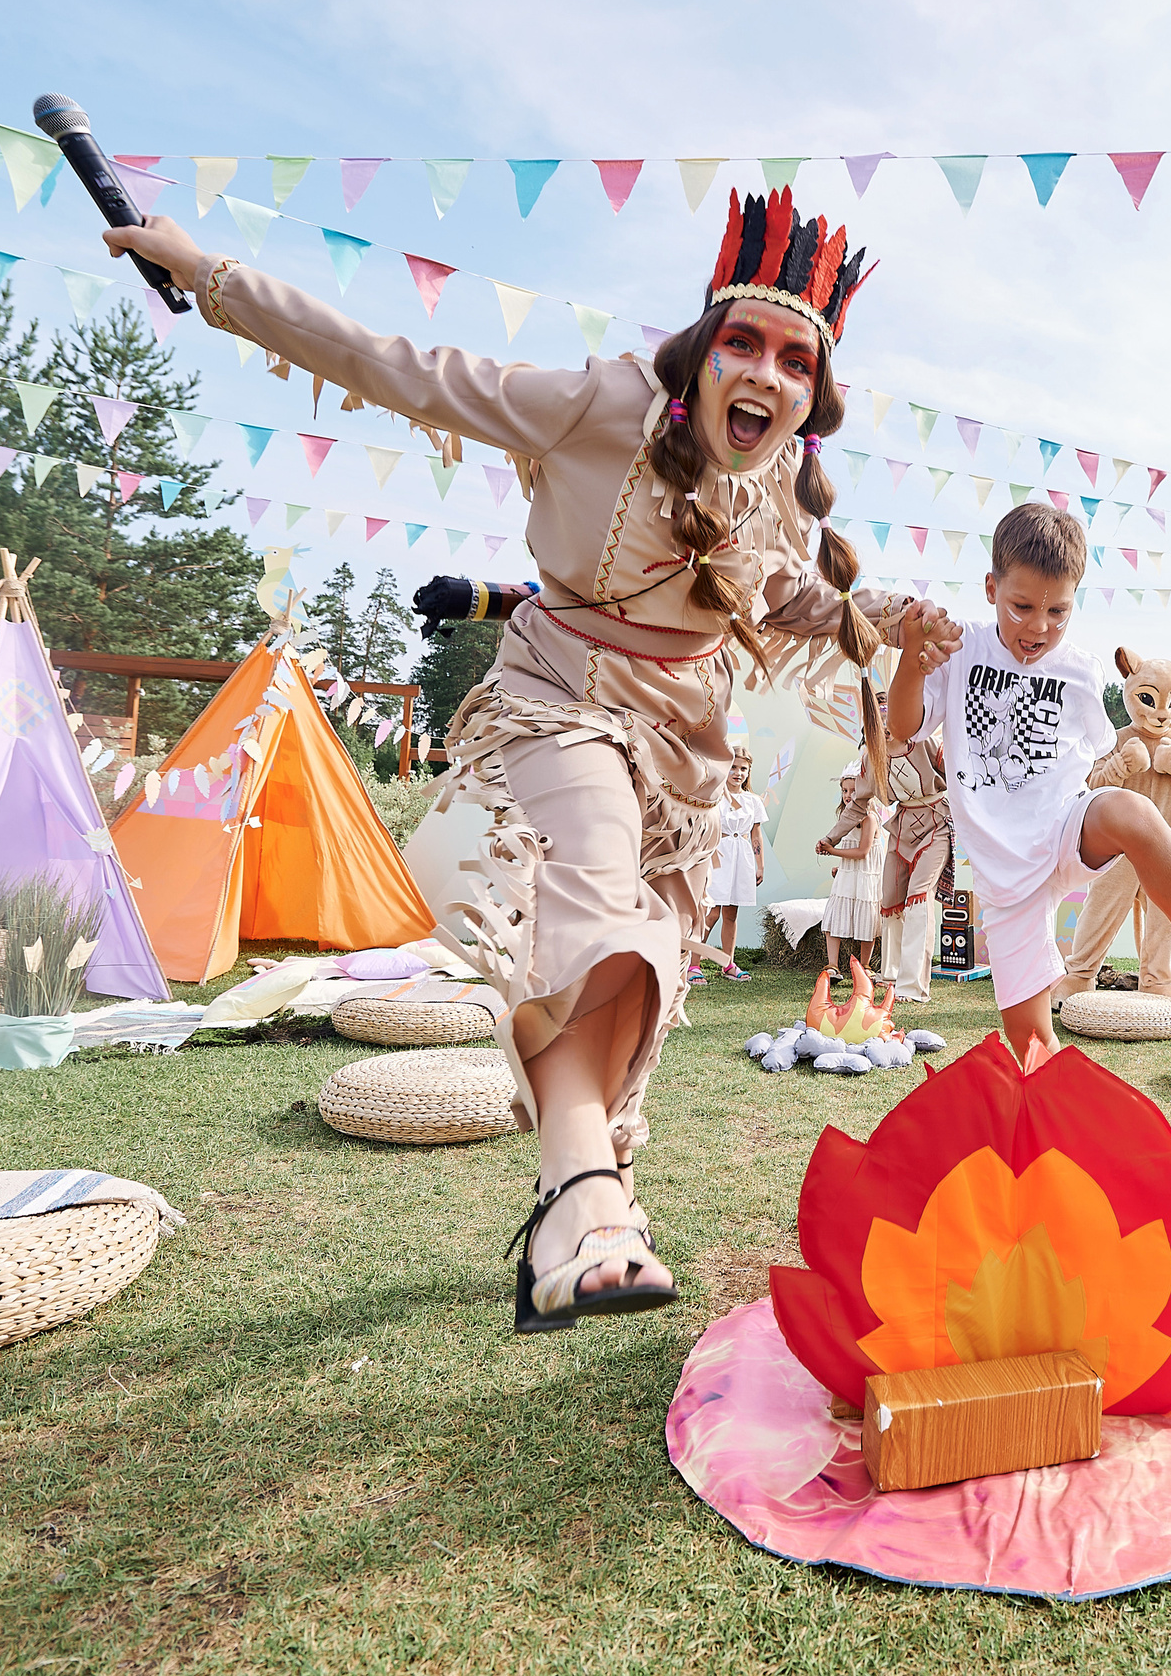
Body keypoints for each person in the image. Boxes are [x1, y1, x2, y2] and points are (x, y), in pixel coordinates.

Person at [108, 189, 948, 1332]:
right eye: (743, 343)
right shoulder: (601, 404)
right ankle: (589, 1203)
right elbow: (398, 365)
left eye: (795, 359)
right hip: (562, 699)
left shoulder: (782, 491)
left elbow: (787, 595)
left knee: (636, 965)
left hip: (689, 756)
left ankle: (576, 1191)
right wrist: (212, 279)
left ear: (812, 392)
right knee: (593, 901)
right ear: (703, 352)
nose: (765, 373)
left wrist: (892, 613)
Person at [884, 503, 1171, 1068]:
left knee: (1134, 812)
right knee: (1030, 1043)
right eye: (1022, 606)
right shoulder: (962, 651)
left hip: (1063, 828)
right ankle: (1054, 1130)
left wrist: (1166, 764)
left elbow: (1102, 753)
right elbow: (903, 727)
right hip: (1007, 874)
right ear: (989, 587)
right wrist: (912, 660)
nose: (1039, 626)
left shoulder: (1080, 669)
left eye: (1059, 611)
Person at [877, 730, 952, 1003]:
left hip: (937, 822)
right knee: (891, 898)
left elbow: (959, 771)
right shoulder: (872, 757)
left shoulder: (924, 741)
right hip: (902, 824)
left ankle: (913, 985)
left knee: (919, 897)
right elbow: (858, 802)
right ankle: (892, 974)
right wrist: (831, 838)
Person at [704, 749, 766, 983]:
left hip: (742, 858)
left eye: (743, 769)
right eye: (733, 767)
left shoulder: (753, 801)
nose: (738, 773)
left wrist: (759, 866)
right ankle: (692, 963)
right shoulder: (715, 796)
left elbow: (756, 835)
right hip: (718, 855)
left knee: (731, 912)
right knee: (711, 912)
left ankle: (727, 963)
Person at [818, 763, 882, 981]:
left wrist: (832, 851)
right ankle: (832, 965)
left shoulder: (869, 818)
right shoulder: (845, 818)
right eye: (845, 791)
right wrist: (841, 865)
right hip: (850, 872)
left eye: (854, 791)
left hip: (865, 875)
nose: (848, 796)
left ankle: (864, 965)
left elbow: (863, 852)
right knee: (835, 916)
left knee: (866, 918)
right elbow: (850, 848)